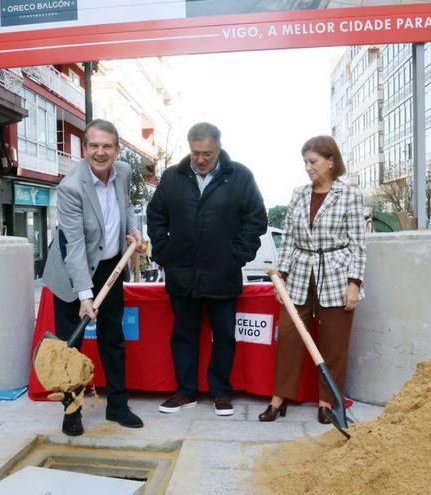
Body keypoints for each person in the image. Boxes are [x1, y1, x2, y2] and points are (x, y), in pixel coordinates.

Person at [147, 122, 267, 416]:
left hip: (223, 275)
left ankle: (221, 392)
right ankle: (184, 392)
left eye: (207, 154)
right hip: (181, 274)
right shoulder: (173, 177)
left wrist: (237, 255)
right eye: (195, 153)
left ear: (218, 149)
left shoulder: (239, 176)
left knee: (224, 335)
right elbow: (155, 216)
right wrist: (164, 252)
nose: (200, 159)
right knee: (183, 335)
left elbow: (256, 220)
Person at [42, 119, 145, 436]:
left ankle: (117, 405)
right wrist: (84, 296)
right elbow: (73, 247)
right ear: (84, 149)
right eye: (94, 146)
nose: (101, 152)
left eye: (107, 146)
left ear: (116, 150)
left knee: (112, 338)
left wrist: (133, 228)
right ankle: (71, 410)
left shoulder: (124, 171)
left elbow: (125, 206)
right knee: (71, 348)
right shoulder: (71, 188)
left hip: (110, 266)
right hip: (72, 271)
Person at [258, 135, 366, 423]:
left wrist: (355, 282)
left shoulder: (350, 196)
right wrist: (280, 277)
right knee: (289, 339)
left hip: (337, 274)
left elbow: (358, 243)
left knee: (334, 344)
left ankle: (326, 402)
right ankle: (278, 399)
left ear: (331, 161)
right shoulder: (298, 194)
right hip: (300, 274)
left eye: (313, 161)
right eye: (305, 162)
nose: (308, 167)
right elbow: (290, 239)